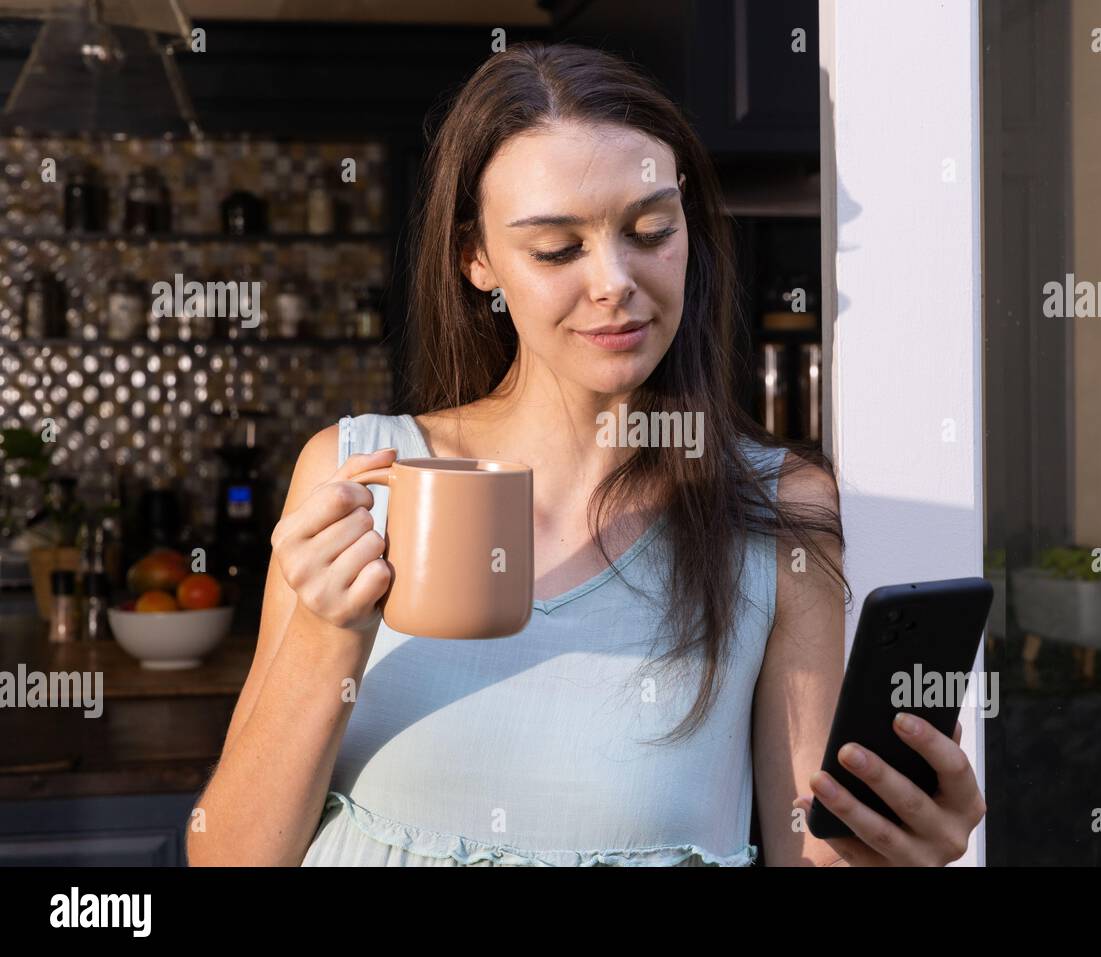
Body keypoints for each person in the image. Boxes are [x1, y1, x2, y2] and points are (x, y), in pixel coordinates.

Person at [187, 41, 986, 867]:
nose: (615, 280)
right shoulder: (359, 475)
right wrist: (326, 637)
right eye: (557, 248)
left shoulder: (777, 512)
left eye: (650, 231)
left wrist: (901, 847)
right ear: (478, 258)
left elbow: (808, 854)